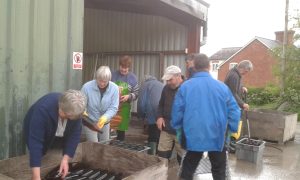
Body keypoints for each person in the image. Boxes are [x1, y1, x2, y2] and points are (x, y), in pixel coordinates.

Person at [171, 54, 240, 180]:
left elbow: (177, 113)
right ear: (209, 66)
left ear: (194, 67)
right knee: (219, 170)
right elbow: (234, 111)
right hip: (217, 135)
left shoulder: (185, 87)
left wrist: (178, 129)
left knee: (188, 168)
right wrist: (231, 129)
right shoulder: (222, 88)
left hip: (193, 134)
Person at [23, 89, 87, 180]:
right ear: (60, 107)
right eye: (66, 116)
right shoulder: (42, 110)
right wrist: (36, 176)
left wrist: (65, 159)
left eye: (71, 118)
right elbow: (35, 143)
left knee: (53, 152)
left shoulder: (76, 110)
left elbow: (74, 134)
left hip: (57, 133)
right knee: (39, 152)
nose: (68, 119)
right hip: (36, 129)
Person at [81, 66, 119, 142]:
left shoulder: (114, 88)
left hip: (105, 122)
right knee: (94, 145)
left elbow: (113, 107)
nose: (102, 83)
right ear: (96, 78)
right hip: (90, 122)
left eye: (105, 81)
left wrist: (105, 117)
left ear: (109, 80)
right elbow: (81, 103)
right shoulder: (86, 87)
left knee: (105, 144)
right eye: (99, 80)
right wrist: (83, 112)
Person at [156, 65, 185, 163]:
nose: (168, 82)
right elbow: (160, 105)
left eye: (170, 80)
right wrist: (159, 117)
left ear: (178, 76)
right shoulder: (166, 88)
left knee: (183, 159)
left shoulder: (187, 89)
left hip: (181, 131)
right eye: (167, 80)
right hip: (166, 128)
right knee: (161, 157)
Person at [224, 60, 253, 152]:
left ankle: (229, 145)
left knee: (232, 127)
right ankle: (226, 148)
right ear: (243, 68)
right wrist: (243, 104)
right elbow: (232, 93)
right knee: (228, 128)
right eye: (246, 71)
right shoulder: (234, 76)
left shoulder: (237, 74)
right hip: (229, 106)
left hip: (232, 105)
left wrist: (242, 87)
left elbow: (235, 87)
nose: (246, 74)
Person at [112, 55, 139, 141]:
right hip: (111, 107)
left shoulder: (133, 78)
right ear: (119, 65)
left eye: (126, 68)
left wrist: (129, 96)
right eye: (122, 67)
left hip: (124, 109)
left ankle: (119, 149)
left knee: (121, 133)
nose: (123, 70)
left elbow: (137, 93)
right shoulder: (112, 75)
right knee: (109, 129)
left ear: (129, 67)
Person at [137, 75, 164, 155]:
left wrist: (141, 116)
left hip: (152, 110)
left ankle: (151, 157)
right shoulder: (160, 84)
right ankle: (161, 156)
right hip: (163, 111)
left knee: (152, 134)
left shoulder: (145, 85)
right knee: (160, 134)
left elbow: (141, 103)